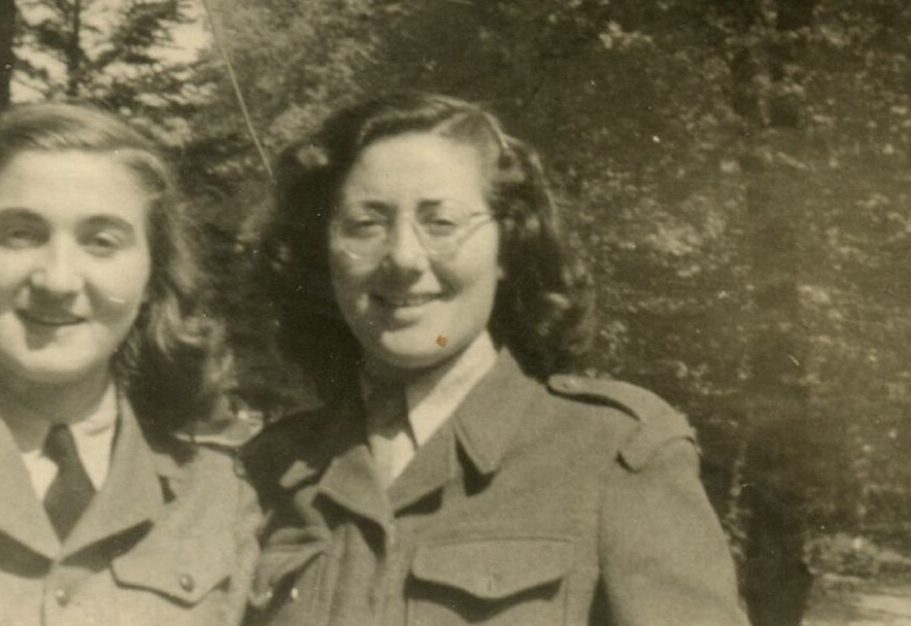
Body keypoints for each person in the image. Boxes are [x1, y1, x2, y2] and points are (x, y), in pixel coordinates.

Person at [242, 92, 749, 626]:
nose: (405, 258)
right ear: (322, 254)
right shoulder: (269, 471)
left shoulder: (614, 455)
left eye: (441, 223)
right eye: (366, 224)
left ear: (507, 246)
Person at [0, 103, 258, 625]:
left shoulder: (216, 495)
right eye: (20, 233)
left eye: (102, 242)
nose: (59, 281)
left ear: (152, 278)